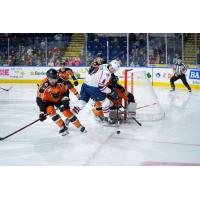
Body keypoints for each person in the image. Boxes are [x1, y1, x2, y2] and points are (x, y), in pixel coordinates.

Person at [36, 69, 86, 136]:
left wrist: (65, 101)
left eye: (57, 77)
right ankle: (62, 126)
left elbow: (67, 88)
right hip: (48, 101)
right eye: (55, 78)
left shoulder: (59, 80)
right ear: (49, 78)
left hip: (59, 98)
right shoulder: (43, 87)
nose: (57, 79)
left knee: (66, 111)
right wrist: (42, 112)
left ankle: (80, 126)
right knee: (50, 111)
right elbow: (39, 100)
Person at [73, 60, 120, 125]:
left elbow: (94, 68)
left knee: (82, 103)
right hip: (93, 88)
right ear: (110, 65)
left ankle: (69, 117)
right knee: (107, 102)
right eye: (113, 69)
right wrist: (112, 93)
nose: (113, 71)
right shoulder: (107, 74)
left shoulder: (104, 65)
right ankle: (106, 120)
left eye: (114, 70)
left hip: (85, 85)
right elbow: (101, 87)